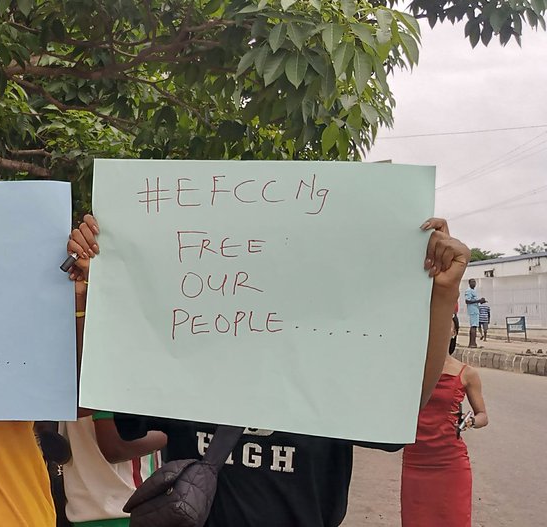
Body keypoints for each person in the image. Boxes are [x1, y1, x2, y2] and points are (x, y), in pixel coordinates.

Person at [66, 214, 468, 527]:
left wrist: (443, 292)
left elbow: (402, 407)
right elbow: (98, 395)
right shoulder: (186, 364)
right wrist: (88, 294)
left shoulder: (331, 371)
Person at [400, 327, 489, 527]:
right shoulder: (411, 369)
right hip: (416, 460)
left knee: (454, 520)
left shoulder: (467, 373)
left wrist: (470, 421)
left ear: (454, 332)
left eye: (447, 322)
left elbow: (483, 415)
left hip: (450, 461)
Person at [58, 410, 165, 527]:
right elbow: (115, 447)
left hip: (86, 507)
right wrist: (174, 433)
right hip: (127, 507)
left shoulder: (70, 394)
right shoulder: (109, 393)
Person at [463, 279, 485, 348]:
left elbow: (474, 300)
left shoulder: (474, 291)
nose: (474, 283)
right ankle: (472, 343)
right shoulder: (468, 291)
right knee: (473, 326)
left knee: (475, 326)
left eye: (474, 282)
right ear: (469, 283)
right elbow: (467, 301)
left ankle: (473, 343)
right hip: (473, 311)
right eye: (472, 282)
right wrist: (478, 300)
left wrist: (481, 301)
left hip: (475, 310)